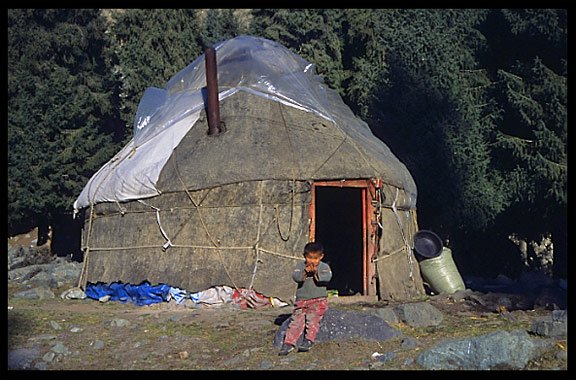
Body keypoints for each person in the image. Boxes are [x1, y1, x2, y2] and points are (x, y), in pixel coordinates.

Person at [278, 242, 332, 355]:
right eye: (309, 257)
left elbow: (327, 277)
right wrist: (305, 273)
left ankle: (309, 340)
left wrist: (316, 273)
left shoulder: (324, 267)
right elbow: (296, 277)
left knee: (313, 320)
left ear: (321, 257)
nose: (312, 261)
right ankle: (289, 343)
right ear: (304, 256)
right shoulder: (300, 266)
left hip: (318, 300)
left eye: (315, 258)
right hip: (302, 300)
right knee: (296, 321)